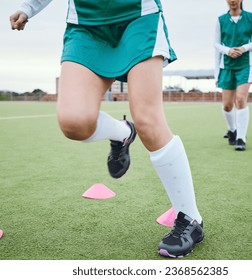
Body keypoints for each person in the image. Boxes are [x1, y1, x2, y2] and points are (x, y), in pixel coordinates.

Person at [10, 0, 204, 258]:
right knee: (73, 123)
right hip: (86, 26)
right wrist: (28, 7)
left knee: (148, 120)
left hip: (138, 16)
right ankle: (122, 132)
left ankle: (190, 219)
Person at [214, 0, 252, 150]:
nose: (233, 1)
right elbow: (216, 44)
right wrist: (228, 51)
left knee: (241, 99)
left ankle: (241, 139)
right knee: (227, 105)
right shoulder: (220, 20)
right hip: (226, 66)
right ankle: (232, 130)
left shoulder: (251, 17)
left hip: (245, 65)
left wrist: (244, 48)